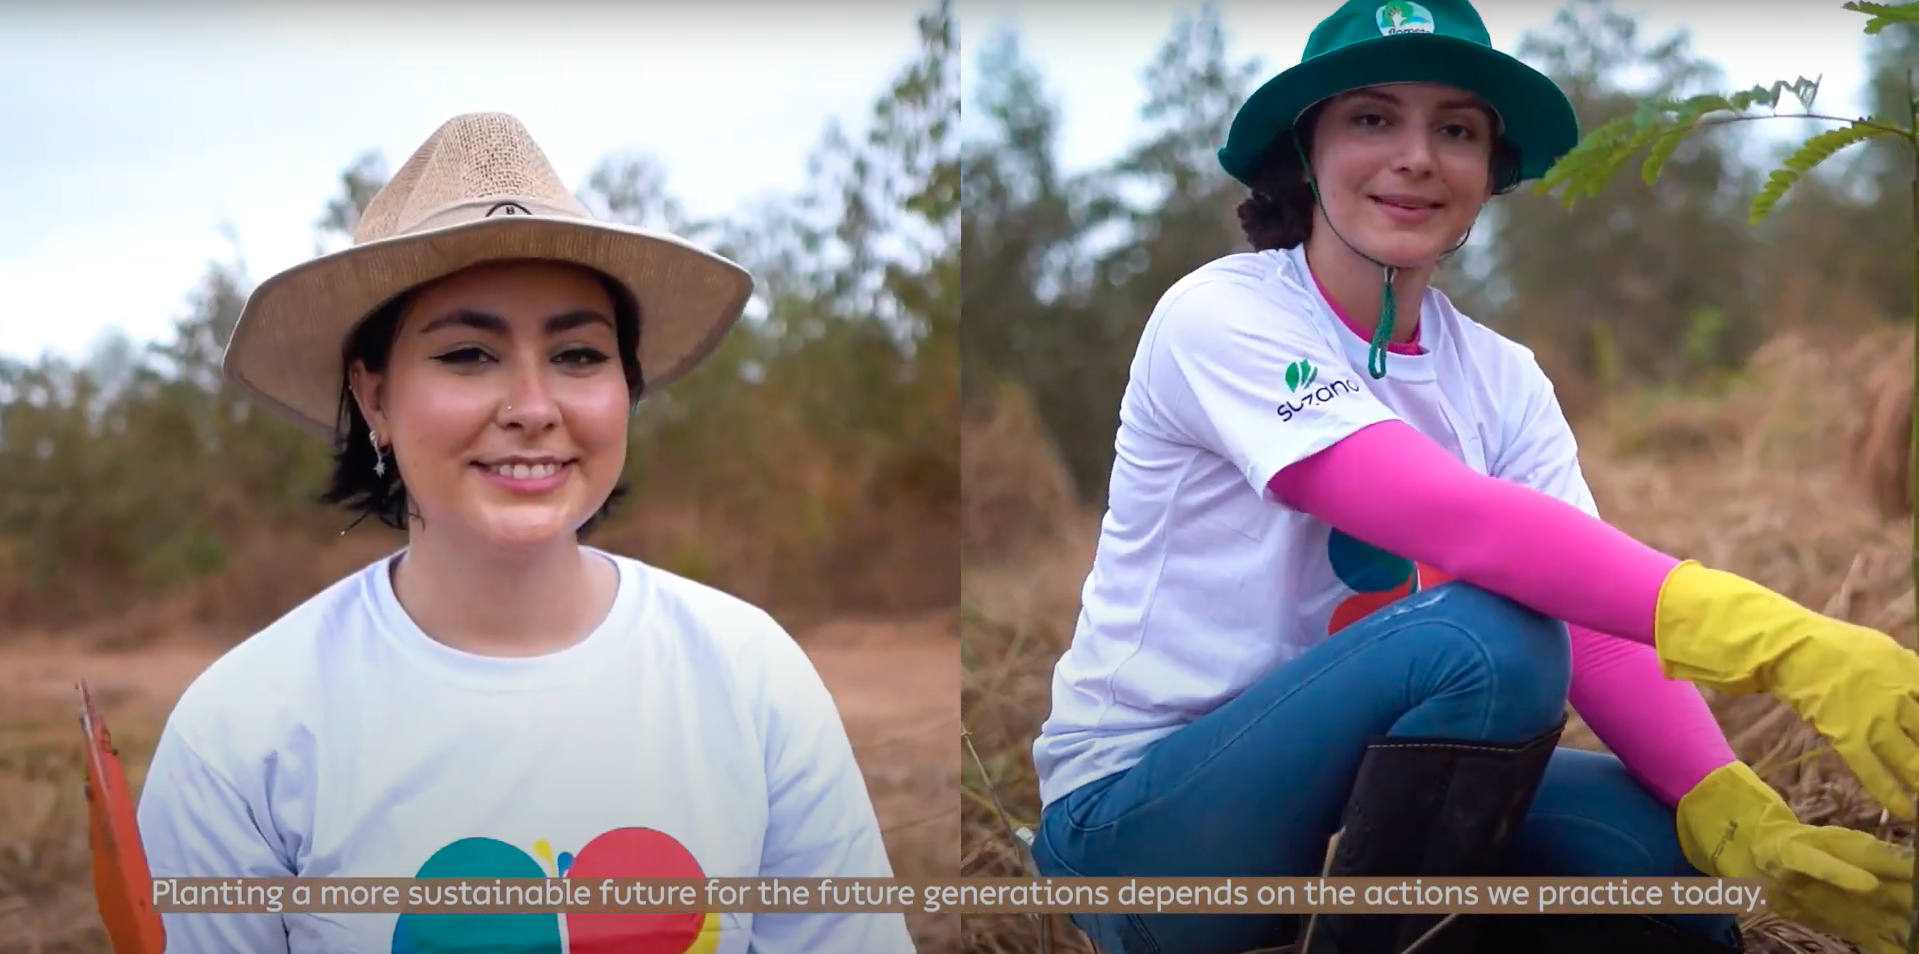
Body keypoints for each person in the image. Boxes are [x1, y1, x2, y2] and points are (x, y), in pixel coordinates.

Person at [1026, 1, 1919, 953]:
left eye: (1455, 130)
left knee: (1664, 862)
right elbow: (1450, 517)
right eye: (1372, 118)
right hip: (1139, 825)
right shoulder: (1219, 315)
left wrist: (1732, 808)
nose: (1416, 157)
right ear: (1305, 152)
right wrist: (1786, 643)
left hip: (1352, 796)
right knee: (1487, 640)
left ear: (1491, 169)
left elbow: (1589, 624)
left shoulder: (1501, 377)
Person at [134, 112, 916, 954]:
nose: (534, 408)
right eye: (468, 354)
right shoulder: (243, 735)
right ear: (373, 398)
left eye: (578, 355)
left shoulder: (750, 676)